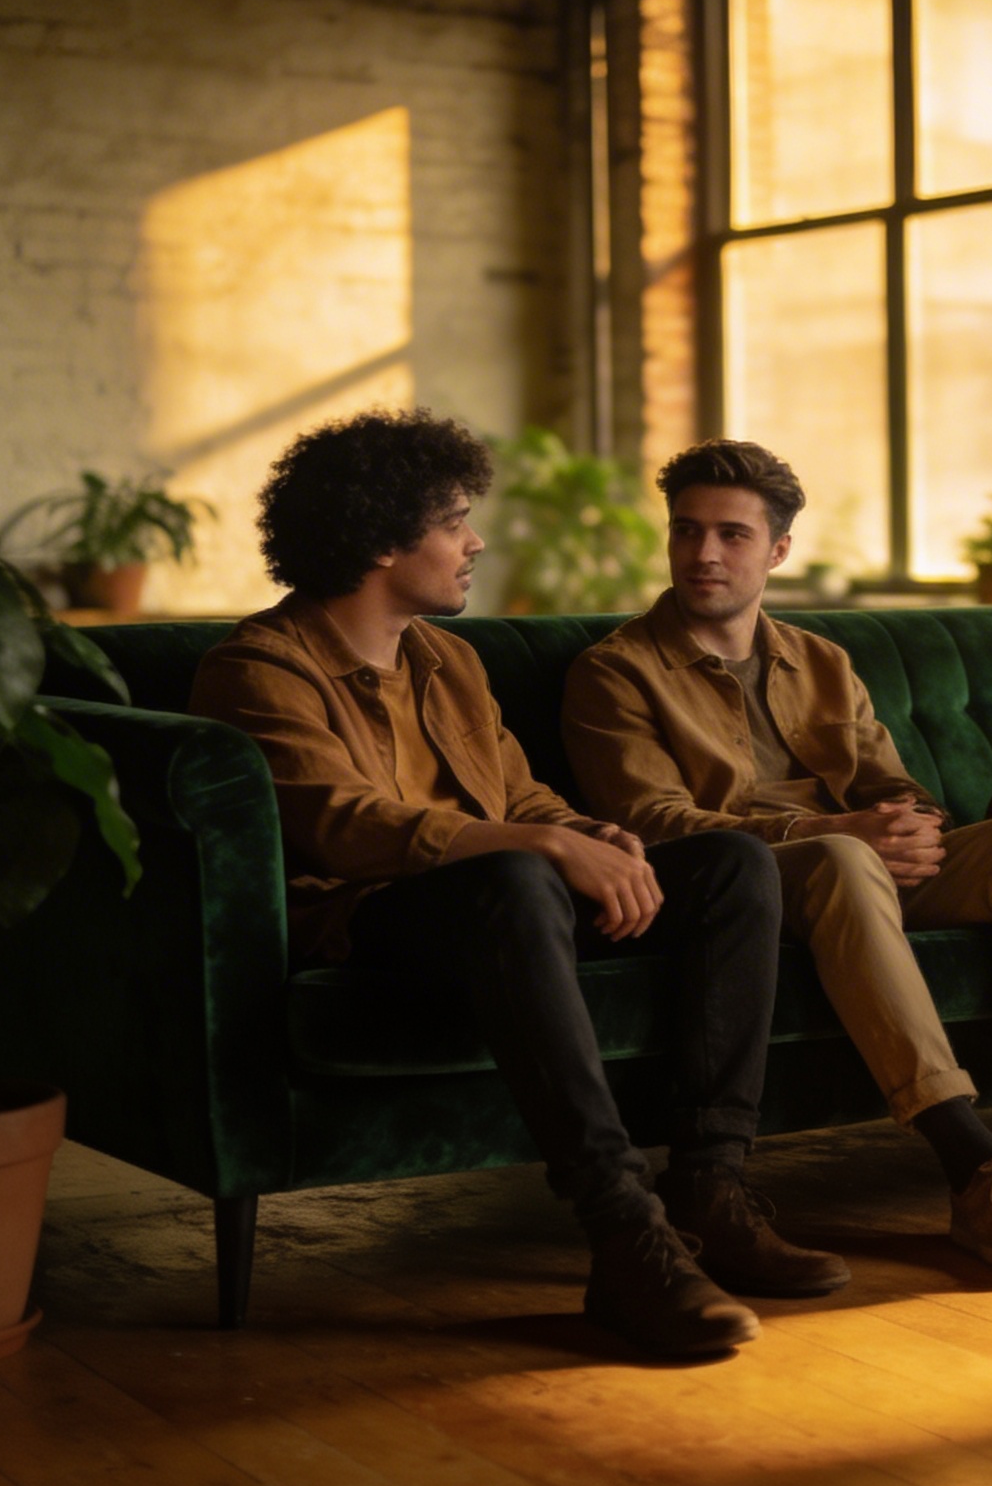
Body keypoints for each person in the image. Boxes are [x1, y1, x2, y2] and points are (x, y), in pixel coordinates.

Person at [189, 409, 846, 1360]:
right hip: (373, 920)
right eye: (455, 520)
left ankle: (710, 1189)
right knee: (515, 877)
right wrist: (540, 850)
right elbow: (345, 824)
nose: (475, 540)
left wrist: (593, 836)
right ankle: (625, 1234)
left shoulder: (447, 659)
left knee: (733, 864)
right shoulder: (257, 670)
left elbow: (522, 790)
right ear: (381, 537)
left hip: (510, 901)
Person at [561, 438, 992, 1268]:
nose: (703, 554)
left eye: (732, 535)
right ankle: (974, 1167)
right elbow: (653, 823)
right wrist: (832, 834)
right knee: (842, 859)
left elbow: (892, 784)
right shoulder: (615, 673)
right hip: (747, 889)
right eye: (687, 531)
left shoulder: (819, 660)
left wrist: (910, 828)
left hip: (861, 871)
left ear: (779, 549)